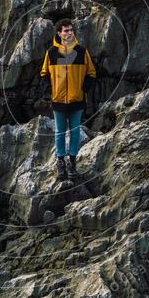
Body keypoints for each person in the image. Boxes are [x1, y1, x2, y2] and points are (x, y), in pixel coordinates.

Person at [40, 18, 97, 180]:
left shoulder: (81, 51)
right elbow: (44, 74)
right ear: (59, 33)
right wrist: (51, 91)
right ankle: (60, 163)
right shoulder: (51, 52)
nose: (69, 33)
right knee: (59, 132)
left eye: (71, 30)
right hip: (58, 100)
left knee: (74, 132)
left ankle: (72, 163)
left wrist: (82, 89)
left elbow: (92, 73)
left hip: (77, 100)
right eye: (66, 30)